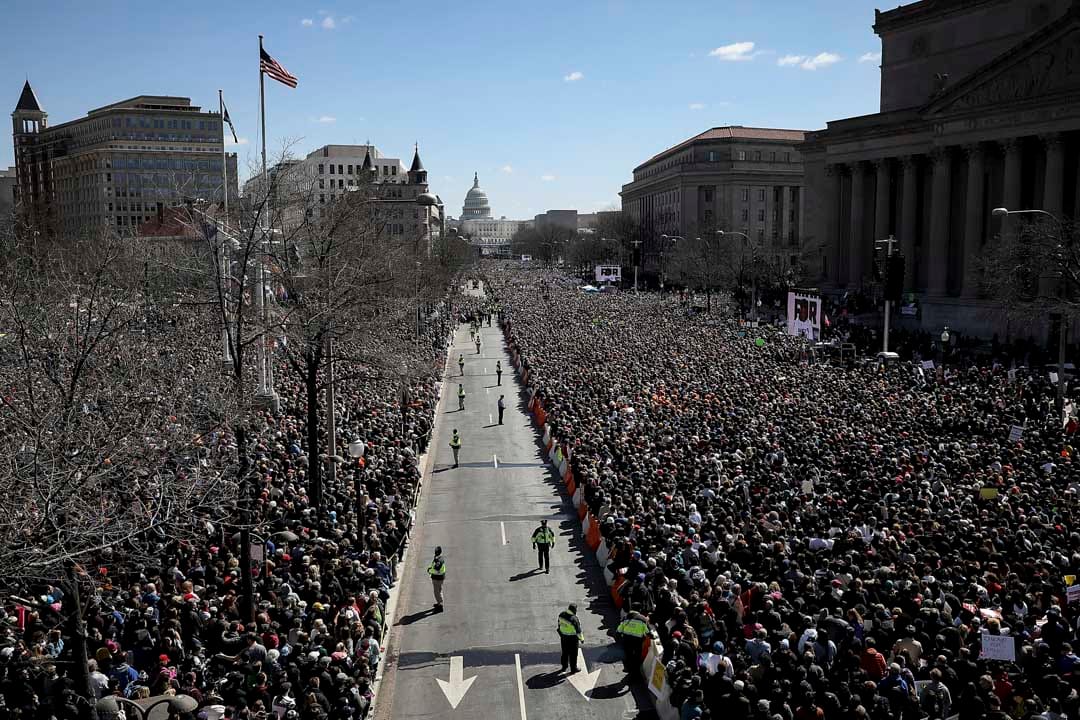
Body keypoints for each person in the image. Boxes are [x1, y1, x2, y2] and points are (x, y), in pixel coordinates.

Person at [616, 607, 649, 677]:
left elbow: (619, 630)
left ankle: (629, 669)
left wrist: (619, 638)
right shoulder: (643, 619)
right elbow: (647, 631)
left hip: (627, 641)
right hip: (638, 642)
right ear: (639, 610)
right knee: (637, 657)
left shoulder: (625, 618)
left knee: (629, 656)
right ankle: (636, 673)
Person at [557, 603, 583, 673]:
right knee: (573, 655)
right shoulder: (574, 619)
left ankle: (564, 667)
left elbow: (559, 624)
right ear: (574, 610)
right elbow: (578, 631)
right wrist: (582, 639)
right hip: (573, 639)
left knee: (565, 652)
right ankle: (573, 669)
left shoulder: (561, 614)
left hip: (563, 637)